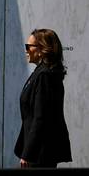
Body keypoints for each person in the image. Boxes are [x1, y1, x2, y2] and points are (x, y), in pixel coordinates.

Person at [14, 28, 72, 168]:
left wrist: (28, 153)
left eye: (28, 46)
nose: (26, 50)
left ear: (42, 50)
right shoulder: (41, 73)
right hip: (39, 150)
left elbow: (41, 118)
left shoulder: (44, 76)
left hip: (39, 153)